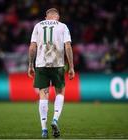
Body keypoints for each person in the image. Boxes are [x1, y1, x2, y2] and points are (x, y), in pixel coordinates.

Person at [28, 8, 75, 138]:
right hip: (57, 65)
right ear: (57, 17)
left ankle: (44, 129)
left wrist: (30, 65)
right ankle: (54, 120)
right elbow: (68, 46)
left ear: (46, 17)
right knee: (60, 92)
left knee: (43, 95)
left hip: (41, 65)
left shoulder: (38, 25)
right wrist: (71, 66)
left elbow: (32, 46)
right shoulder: (62, 26)